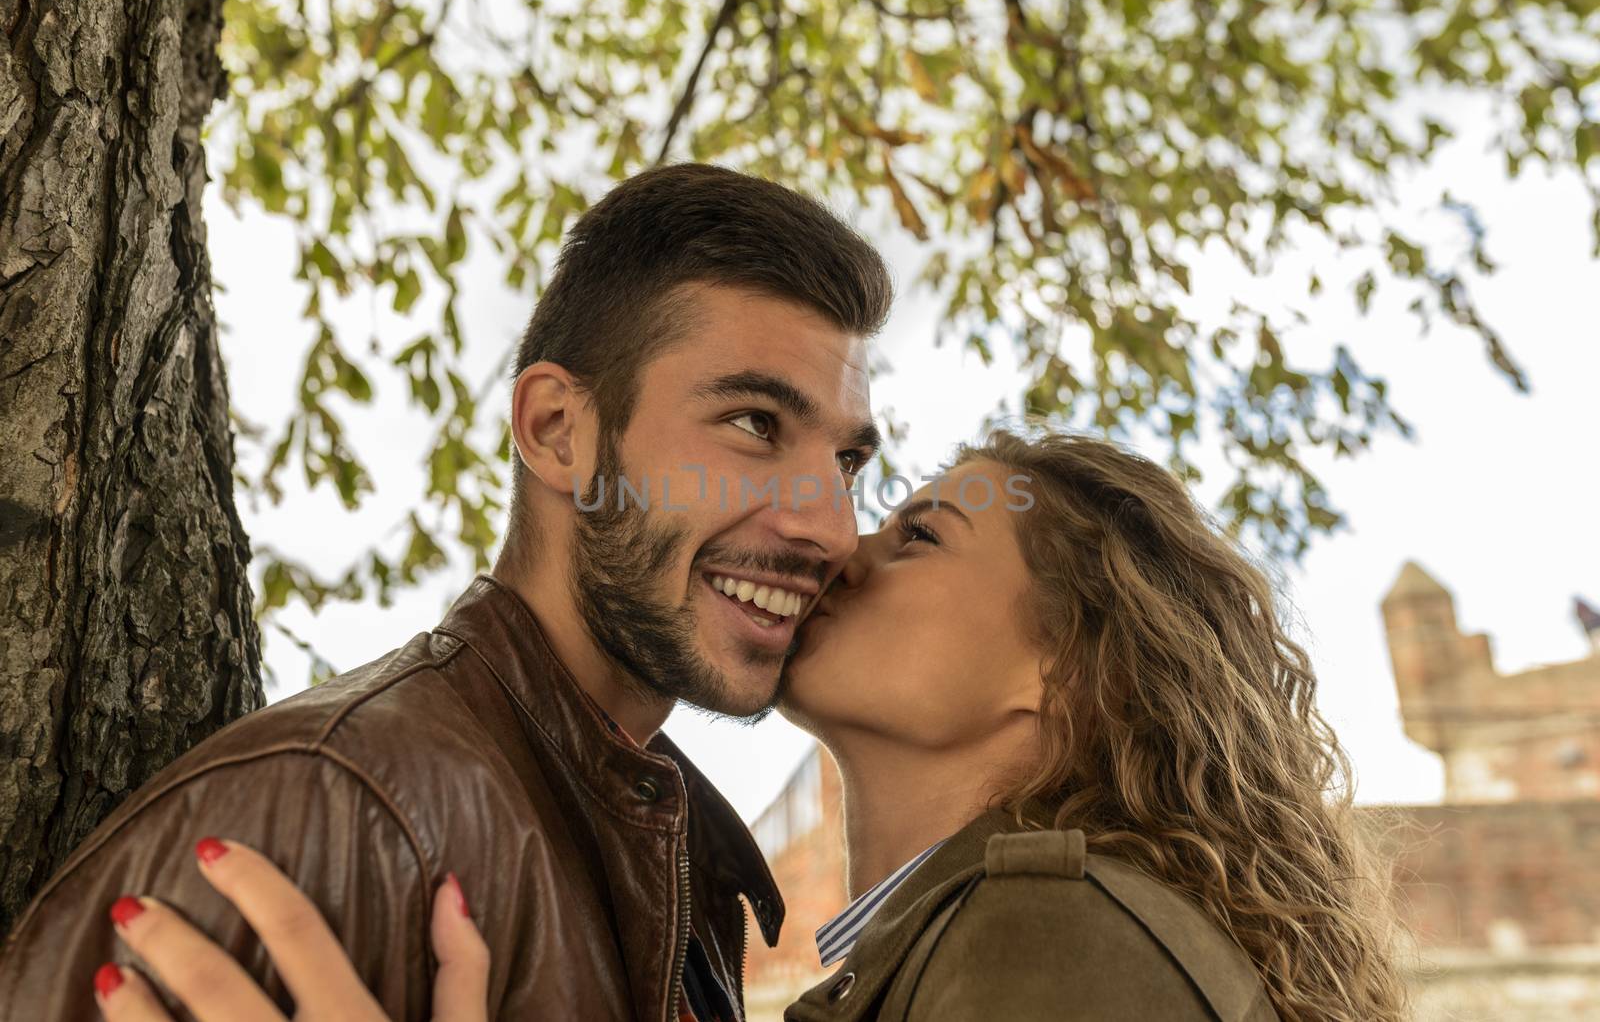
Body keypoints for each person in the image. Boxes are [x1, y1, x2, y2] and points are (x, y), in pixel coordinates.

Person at [87, 430, 1410, 1021]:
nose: (838, 546)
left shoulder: (1048, 941)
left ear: (1070, 681)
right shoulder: (937, 941)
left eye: (917, 537)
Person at [0, 162, 895, 1021]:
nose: (832, 527)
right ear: (556, 433)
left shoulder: (672, 845)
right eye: (753, 424)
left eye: (846, 459)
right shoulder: (337, 809)